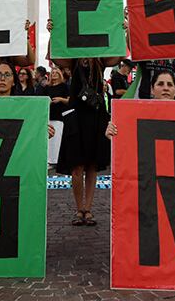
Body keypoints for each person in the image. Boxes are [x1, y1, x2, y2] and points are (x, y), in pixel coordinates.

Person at [51, 26, 119, 227]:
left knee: (92, 166)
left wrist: (123, 31)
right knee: (76, 167)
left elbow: (118, 56)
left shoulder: (100, 61)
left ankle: (87, 209)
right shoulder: (74, 60)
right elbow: (55, 57)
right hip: (77, 118)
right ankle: (78, 207)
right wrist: (53, 32)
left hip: (96, 116)